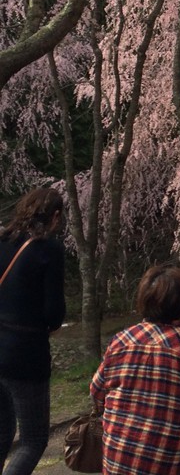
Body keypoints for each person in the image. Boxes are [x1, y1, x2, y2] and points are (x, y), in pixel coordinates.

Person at [91, 264, 180, 475]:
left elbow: (96, 390)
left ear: (143, 300)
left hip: (117, 461)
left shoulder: (121, 341)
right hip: (167, 464)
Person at [0, 187, 66, 475]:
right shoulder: (48, 250)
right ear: (55, 215)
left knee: (2, 432)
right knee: (33, 439)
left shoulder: (2, 240)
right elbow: (53, 312)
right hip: (25, 354)